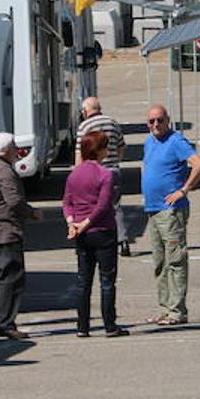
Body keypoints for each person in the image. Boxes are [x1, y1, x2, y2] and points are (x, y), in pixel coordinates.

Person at [140, 104, 200, 325]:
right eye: (151, 121)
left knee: (175, 260)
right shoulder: (149, 142)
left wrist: (183, 190)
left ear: (168, 120)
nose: (156, 125)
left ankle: (177, 311)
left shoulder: (176, 141)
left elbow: (199, 164)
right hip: (153, 209)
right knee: (159, 261)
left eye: (160, 120)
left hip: (171, 211)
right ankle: (165, 307)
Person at [0, 132, 40, 340]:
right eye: (13, 147)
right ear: (5, 150)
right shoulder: (4, 171)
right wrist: (31, 213)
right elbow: (13, 201)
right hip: (5, 232)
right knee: (10, 279)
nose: (17, 150)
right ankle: (5, 323)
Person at [63, 130, 127, 338]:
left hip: (82, 234)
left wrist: (72, 223)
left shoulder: (74, 174)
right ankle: (109, 324)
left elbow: (67, 202)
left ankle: (82, 326)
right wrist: (87, 223)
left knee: (84, 281)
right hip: (103, 231)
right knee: (107, 280)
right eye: (105, 147)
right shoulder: (104, 174)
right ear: (99, 150)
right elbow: (103, 205)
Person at [76, 96, 129, 255]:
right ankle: (123, 240)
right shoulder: (113, 123)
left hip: (94, 173)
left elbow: (79, 153)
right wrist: (115, 161)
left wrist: (78, 174)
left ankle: (94, 239)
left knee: (92, 206)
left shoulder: (85, 126)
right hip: (113, 170)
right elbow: (121, 147)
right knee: (115, 206)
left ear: (86, 111)